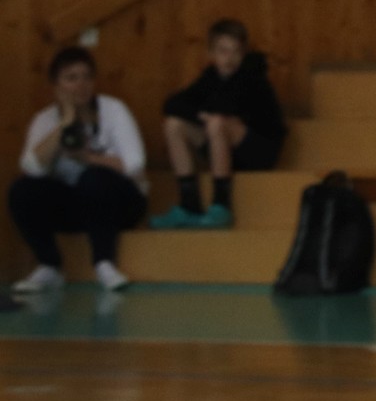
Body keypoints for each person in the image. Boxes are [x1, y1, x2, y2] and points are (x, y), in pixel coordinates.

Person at [10, 47, 147, 294]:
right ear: (56, 86)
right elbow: (31, 168)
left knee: (93, 177)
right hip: (77, 206)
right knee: (22, 190)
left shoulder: (113, 109)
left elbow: (135, 163)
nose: (81, 85)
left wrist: (87, 158)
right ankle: (49, 264)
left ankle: (103, 262)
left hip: (119, 202)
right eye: (71, 78)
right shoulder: (45, 119)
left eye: (86, 77)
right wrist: (65, 123)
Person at [150, 19, 287, 229]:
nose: (229, 58)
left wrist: (206, 114)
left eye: (235, 52)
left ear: (243, 53)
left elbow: (227, 108)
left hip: (258, 151)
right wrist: (200, 114)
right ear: (211, 53)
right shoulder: (210, 77)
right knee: (173, 125)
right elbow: (172, 104)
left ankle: (221, 204)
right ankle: (189, 204)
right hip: (224, 146)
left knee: (217, 123)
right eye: (223, 51)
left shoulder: (252, 77)